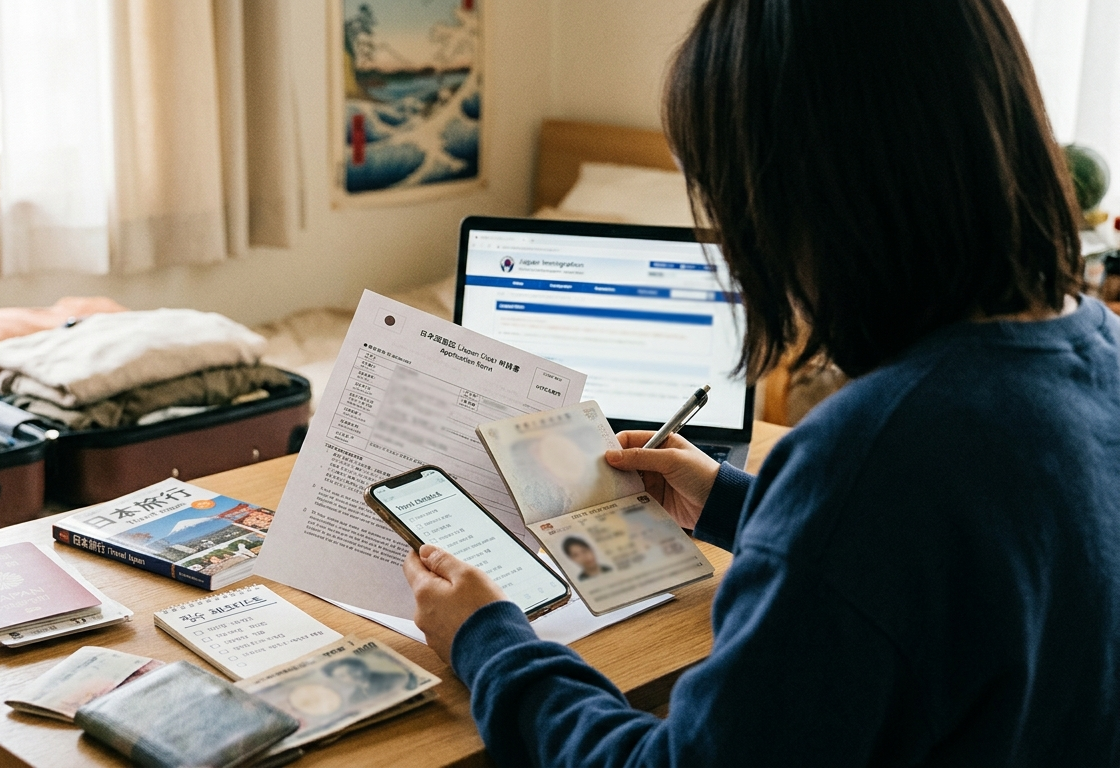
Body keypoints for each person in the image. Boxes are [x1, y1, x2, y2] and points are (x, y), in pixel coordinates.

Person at [401, 0, 1120, 764]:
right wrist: (743, 506)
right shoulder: (1093, 349)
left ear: (801, 196)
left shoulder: (881, 454)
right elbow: (953, 581)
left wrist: (488, 640)